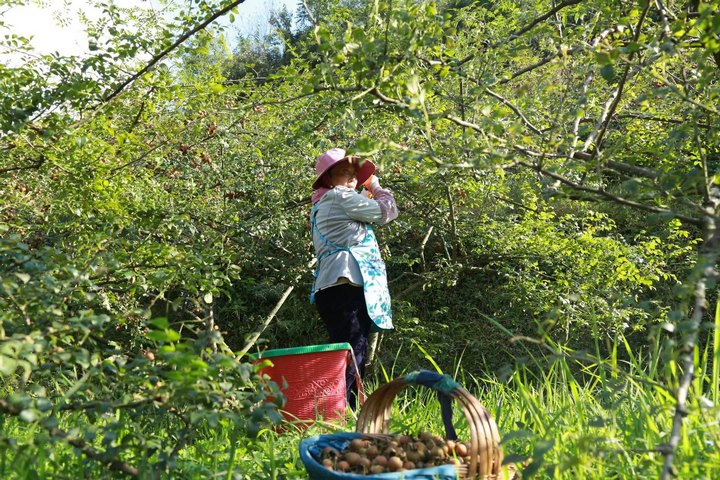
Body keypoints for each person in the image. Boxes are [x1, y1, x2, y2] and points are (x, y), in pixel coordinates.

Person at [309, 147, 399, 408]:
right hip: (344, 283)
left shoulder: (325, 201)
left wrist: (365, 190)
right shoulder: (339, 197)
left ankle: (342, 410)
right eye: (343, 172)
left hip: (335, 285)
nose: (351, 177)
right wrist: (378, 187)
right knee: (352, 350)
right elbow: (385, 212)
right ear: (329, 179)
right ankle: (346, 411)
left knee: (348, 350)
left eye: (353, 173)